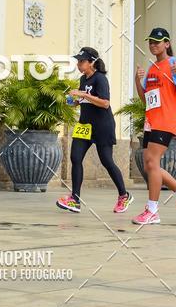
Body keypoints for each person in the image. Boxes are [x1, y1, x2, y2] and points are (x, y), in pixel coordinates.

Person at [56, 47, 133, 215]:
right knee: (75, 157)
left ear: (92, 62)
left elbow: (105, 103)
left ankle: (124, 195)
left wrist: (83, 94)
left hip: (102, 126)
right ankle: (75, 199)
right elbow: (84, 101)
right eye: (78, 61)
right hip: (85, 126)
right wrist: (72, 101)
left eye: (82, 61)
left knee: (107, 161)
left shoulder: (100, 79)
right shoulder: (83, 78)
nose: (78, 64)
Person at [130, 28, 176, 226]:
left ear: (167, 44)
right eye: (151, 42)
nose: (153, 45)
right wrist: (137, 81)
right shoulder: (152, 68)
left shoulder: (174, 63)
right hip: (150, 122)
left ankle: (152, 211)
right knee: (151, 166)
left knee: (151, 162)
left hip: (166, 121)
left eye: (157, 42)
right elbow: (145, 100)